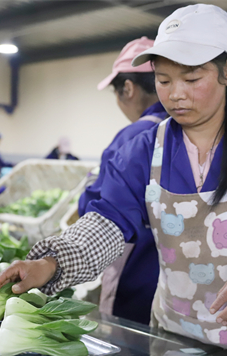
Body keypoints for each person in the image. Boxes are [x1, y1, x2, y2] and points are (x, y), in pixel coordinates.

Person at [0, 4, 227, 356]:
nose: (176, 94)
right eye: (164, 81)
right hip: (175, 344)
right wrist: (51, 262)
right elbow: (106, 223)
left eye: (192, 79)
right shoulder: (143, 151)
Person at [78, 37, 168, 325]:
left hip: (135, 272)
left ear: (128, 88)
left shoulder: (133, 138)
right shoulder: (191, 132)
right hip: (187, 285)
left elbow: (94, 205)